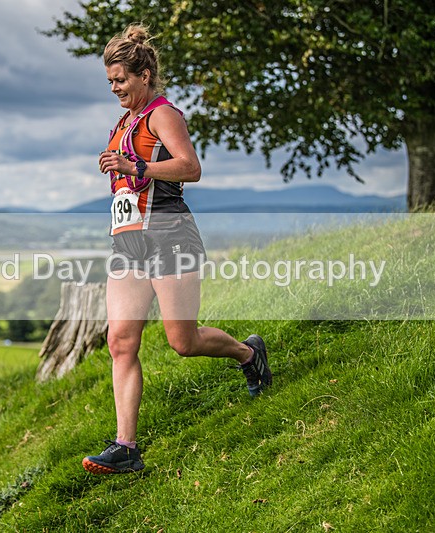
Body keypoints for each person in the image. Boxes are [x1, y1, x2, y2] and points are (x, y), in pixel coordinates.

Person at [82, 24, 272, 475]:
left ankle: (249, 354)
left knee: (182, 342)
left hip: (170, 236)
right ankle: (126, 446)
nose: (115, 88)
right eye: (110, 81)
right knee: (120, 340)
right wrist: (121, 171)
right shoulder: (124, 122)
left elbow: (191, 168)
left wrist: (137, 165)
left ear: (144, 75)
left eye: (121, 80)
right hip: (128, 242)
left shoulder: (163, 114)